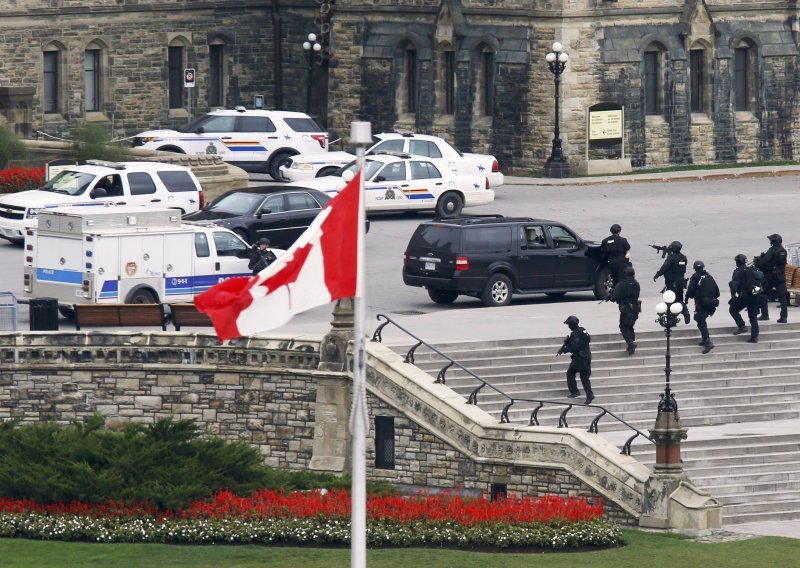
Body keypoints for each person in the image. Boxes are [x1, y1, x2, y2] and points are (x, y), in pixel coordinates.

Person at [556, 315, 594, 405]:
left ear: (572, 325)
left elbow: (574, 347)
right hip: (587, 356)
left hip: (580, 358)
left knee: (570, 372)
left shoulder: (575, 334)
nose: (568, 326)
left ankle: (574, 392)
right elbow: (588, 339)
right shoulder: (582, 330)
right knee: (584, 377)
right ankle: (589, 395)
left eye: (569, 324)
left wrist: (564, 349)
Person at [686, 260, 720, 354]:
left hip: (700, 303)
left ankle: (707, 341)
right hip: (710, 303)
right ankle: (704, 339)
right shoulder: (709, 276)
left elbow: (690, 290)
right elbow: (717, 291)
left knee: (700, 321)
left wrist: (689, 297)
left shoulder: (695, 277)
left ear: (695, 268)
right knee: (702, 320)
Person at [653, 240, 690, 325]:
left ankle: (673, 319)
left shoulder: (671, 258)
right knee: (679, 298)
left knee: (670, 300)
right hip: (681, 281)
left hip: (672, 282)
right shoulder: (684, 258)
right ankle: (684, 312)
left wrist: (657, 275)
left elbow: (664, 268)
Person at [755, 233, 788, 323]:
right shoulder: (783, 251)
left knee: (762, 293)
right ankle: (784, 317)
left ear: (773, 242)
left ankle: (765, 315)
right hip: (781, 276)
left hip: (771, 277)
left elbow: (763, 262)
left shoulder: (772, 250)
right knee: (783, 297)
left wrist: (758, 261)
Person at [609, 266, 640, 355]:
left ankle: (631, 343)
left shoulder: (622, 284)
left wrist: (612, 296)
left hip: (626, 309)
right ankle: (631, 344)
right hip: (635, 308)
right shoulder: (636, 284)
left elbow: (613, 298)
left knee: (623, 326)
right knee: (630, 325)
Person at [729, 253, 760, 343]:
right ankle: (754, 337)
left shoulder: (738, 271)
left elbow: (734, 284)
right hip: (754, 296)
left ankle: (742, 326)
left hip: (745, 297)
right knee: (753, 317)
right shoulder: (753, 269)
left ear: (738, 262)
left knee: (733, 310)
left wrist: (733, 295)